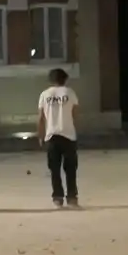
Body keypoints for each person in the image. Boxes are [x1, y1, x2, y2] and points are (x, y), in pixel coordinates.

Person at [37, 66, 80, 209]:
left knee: (54, 168)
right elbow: (74, 114)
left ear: (51, 80)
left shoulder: (44, 95)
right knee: (71, 168)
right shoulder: (70, 93)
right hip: (68, 134)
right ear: (65, 79)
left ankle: (57, 197)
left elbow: (41, 118)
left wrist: (40, 135)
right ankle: (72, 197)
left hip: (52, 135)